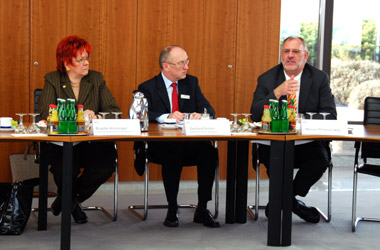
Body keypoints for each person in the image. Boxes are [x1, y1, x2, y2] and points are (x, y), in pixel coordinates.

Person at [250, 36, 337, 223]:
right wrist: (276, 93)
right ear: (281, 54)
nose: (290, 56)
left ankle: (282, 200)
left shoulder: (319, 78)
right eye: (286, 51)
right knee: (275, 160)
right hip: (274, 143)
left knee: (320, 160)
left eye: (295, 52)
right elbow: (255, 114)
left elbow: (330, 114)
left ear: (305, 55)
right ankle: (293, 204)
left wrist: (303, 120)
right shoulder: (267, 79)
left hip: (307, 143)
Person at [38, 35, 121, 224]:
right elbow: (44, 112)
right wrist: (78, 116)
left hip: (92, 142)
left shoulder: (96, 78)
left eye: (87, 58)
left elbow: (114, 111)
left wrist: (98, 116)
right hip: (62, 143)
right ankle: (72, 205)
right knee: (64, 168)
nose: (86, 63)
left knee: (105, 167)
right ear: (67, 62)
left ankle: (66, 201)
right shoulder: (53, 79)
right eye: (80, 59)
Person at [137, 45, 220, 228]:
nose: (186, 67)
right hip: (161, 146)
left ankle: (202, 208)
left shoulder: (191, 82)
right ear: (166, 66)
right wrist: (165, 117)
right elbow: (141, 114)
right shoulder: (148, 87)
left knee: (209, 153)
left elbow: (209, 109)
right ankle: (172, 208)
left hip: (189, 143)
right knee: (171, 154)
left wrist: (202, 115)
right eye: (181, 63)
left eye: (187, 61)